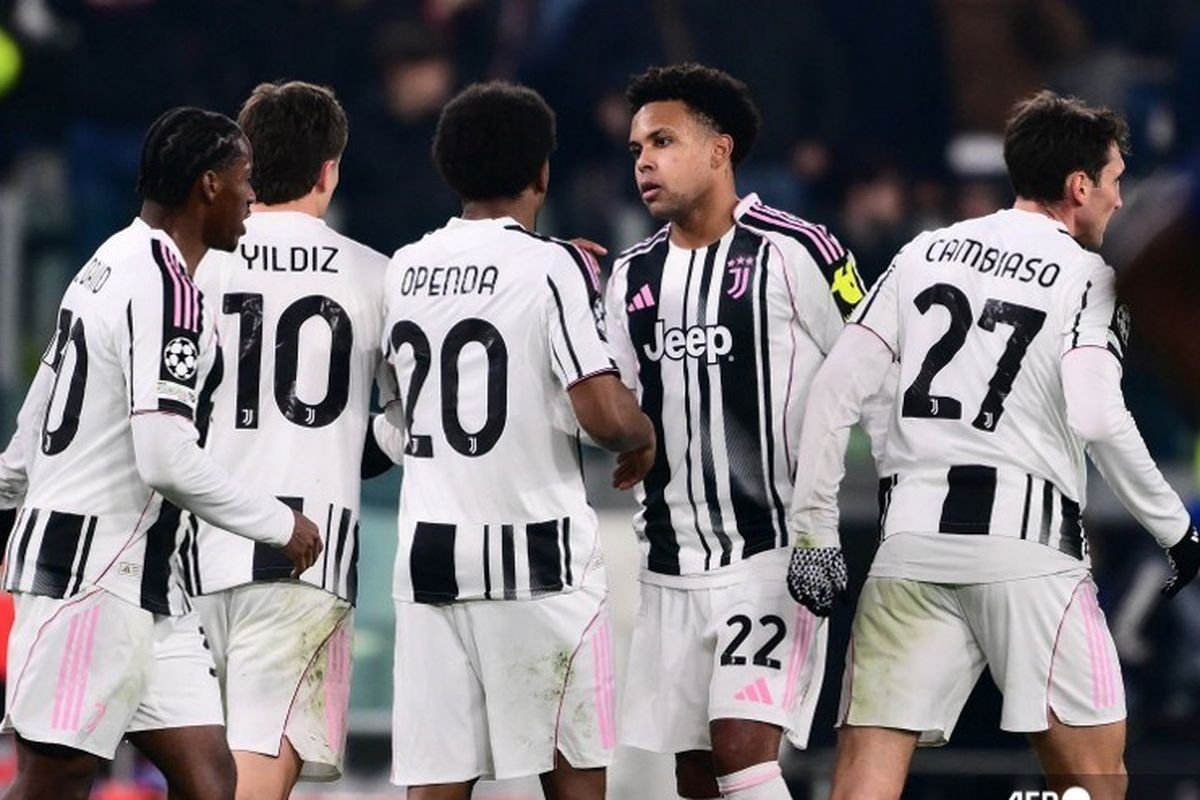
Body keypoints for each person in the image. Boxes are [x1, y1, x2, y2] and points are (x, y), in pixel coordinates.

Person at [787, 90, 1200, 800]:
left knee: (864, 779)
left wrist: (815, 534)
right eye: (1114, 180)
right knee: (1096, 780)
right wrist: (1174, 530)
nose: (1120, 199)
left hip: (911, 545)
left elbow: (832, 393)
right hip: (1031, 554)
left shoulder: (923, 252)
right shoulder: (1090, 278)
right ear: (1080, 186)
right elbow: (1098, 416)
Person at [0, 106, 322, 800]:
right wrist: (278, 524)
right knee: (56, 777)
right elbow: (165, 458)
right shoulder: (167, 287)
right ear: (209, 184)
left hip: (147, 585)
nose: (252, 196)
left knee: (210, 778)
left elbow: (32, 424)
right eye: (245, 178)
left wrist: (9, 492)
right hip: (90, 575)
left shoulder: (106, 261)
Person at [382, 81, 655, 800]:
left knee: (437, 781)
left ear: (449, 168)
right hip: (538, 559)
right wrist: (643, 432)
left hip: (430, 557)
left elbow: (394, 413)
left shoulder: (403, 268)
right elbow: (604, 417)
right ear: (542, 172)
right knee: (572, 779)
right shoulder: (551, 266)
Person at [605, 63, 869, 800]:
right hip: (668, 561)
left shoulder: (799, 249)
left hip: (773, 552)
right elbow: (617, 403)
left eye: (663, 141)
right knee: (695, 775)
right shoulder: (630, 277)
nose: (645, 161)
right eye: (636, 149)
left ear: (720, 150)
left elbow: (877, 365)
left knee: (742, 753)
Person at [188, 81, 391, 800]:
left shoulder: (193, 265)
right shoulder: (375, 275)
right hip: (305, 555)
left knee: (196, 767)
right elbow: (413, 417)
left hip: (192, 550)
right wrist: (354, 447)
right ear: (328, 170)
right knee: (261, 765)